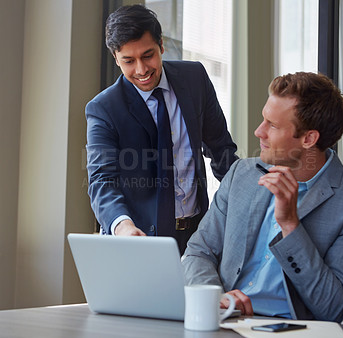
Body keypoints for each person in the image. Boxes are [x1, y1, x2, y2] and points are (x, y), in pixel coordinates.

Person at [182, 72, 343, 322]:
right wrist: (214, 297)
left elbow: (334, 308)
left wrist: (290, 225)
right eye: (263, 119)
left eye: (272, 125)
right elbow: (198, 252)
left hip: (290, 329)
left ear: (309, 138)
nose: (258, 132)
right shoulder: (241, 175)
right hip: (223, 321)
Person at [85, 4, 238, 255]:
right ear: (115, 58)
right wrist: (122, 226)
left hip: (199, 234)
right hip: (140, 239)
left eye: (148, 55)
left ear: (161, 46)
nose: (142, 70)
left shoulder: (194, 78)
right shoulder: (103, 109)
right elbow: (102, 180)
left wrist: (246, 201)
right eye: (128, 61)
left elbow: (221, 149)